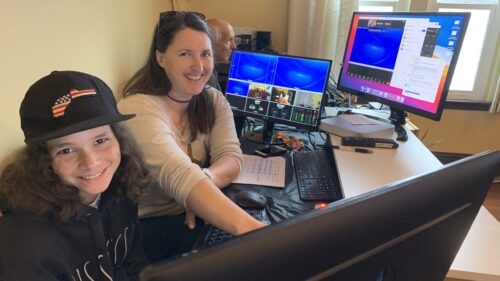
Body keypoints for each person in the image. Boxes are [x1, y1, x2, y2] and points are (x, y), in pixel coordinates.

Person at [118, 11, 265, 262]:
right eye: (185, 54)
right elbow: (178, 174)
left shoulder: (213, 100)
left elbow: (231, 157)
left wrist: (207, 177)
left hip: (194, 213)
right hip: (150, 227)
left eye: (205, 54)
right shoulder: (137, 109)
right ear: (161, 58)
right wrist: (266, 238)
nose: (199, 67)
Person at [0, 71, 151, 280]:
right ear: (42, 161)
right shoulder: (24, 241)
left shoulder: (121, 187)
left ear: (119, 139)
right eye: (66, 150)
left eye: (100, 141)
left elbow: (134, 265)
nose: (91, 163)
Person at [206, 17, 247, 136]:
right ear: (210, 43)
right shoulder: (200, 80)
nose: (234, 46)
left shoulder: (213, 69)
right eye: (228, 40)